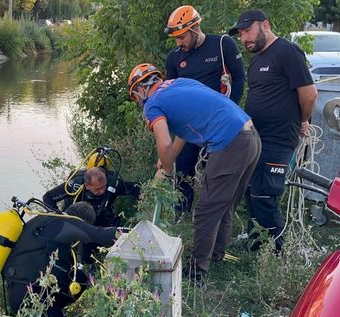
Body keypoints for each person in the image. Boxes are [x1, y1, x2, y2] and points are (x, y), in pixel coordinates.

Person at [127, 63, 261, 284]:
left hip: (229, 142)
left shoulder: (152, 104)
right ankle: (215, 257)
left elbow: (165, 141)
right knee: (224, 204)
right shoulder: (179, 84)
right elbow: (182, 135)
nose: (138, 101)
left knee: (206, 211)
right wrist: (166, 160)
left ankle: (197, 273)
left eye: (135, 96)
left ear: (139, 89)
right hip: (250, 136)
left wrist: (168, 173)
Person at [228, 10, 317, 252]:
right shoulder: (257, 59)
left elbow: (309, 94)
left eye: (247, 31)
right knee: (250, 191)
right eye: (241, 34)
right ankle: (256, 245)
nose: (244, 37)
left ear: (265, 25)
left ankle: (277, 254)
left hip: (278, 139)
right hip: (256, 138)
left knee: (265, 196)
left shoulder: (287, 52)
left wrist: (303, 120)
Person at [164, 5, 246, 214]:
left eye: (182, 37)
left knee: (216, 171)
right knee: (183, 168)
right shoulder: (174, 57)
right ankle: (181, 213)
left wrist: (230, 108)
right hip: (188, 126)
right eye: (175, 38)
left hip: (217, 125)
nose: (178, 42)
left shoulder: (222, 45)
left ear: (194, 29)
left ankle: (212, 211)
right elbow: (171, 93)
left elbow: (239, 78)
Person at [2, 202, 119, 317]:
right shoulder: (67, 222)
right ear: (81, 220)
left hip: (15, 292)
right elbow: (100, 235)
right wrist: (135, 232)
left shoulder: (43, 219)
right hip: (34, 299)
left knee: (80, 278)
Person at [43, 167, 140, 264]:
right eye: (98, 189)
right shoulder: (75, 185)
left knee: (108, 236)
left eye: (104, 186)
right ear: (87, 185)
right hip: (79, 218)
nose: (102, 191)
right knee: (85, 254)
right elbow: (48, 197)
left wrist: (143, 199)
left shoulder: (112, 183)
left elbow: (134, 188)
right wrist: (58, 216)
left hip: (101, 213)